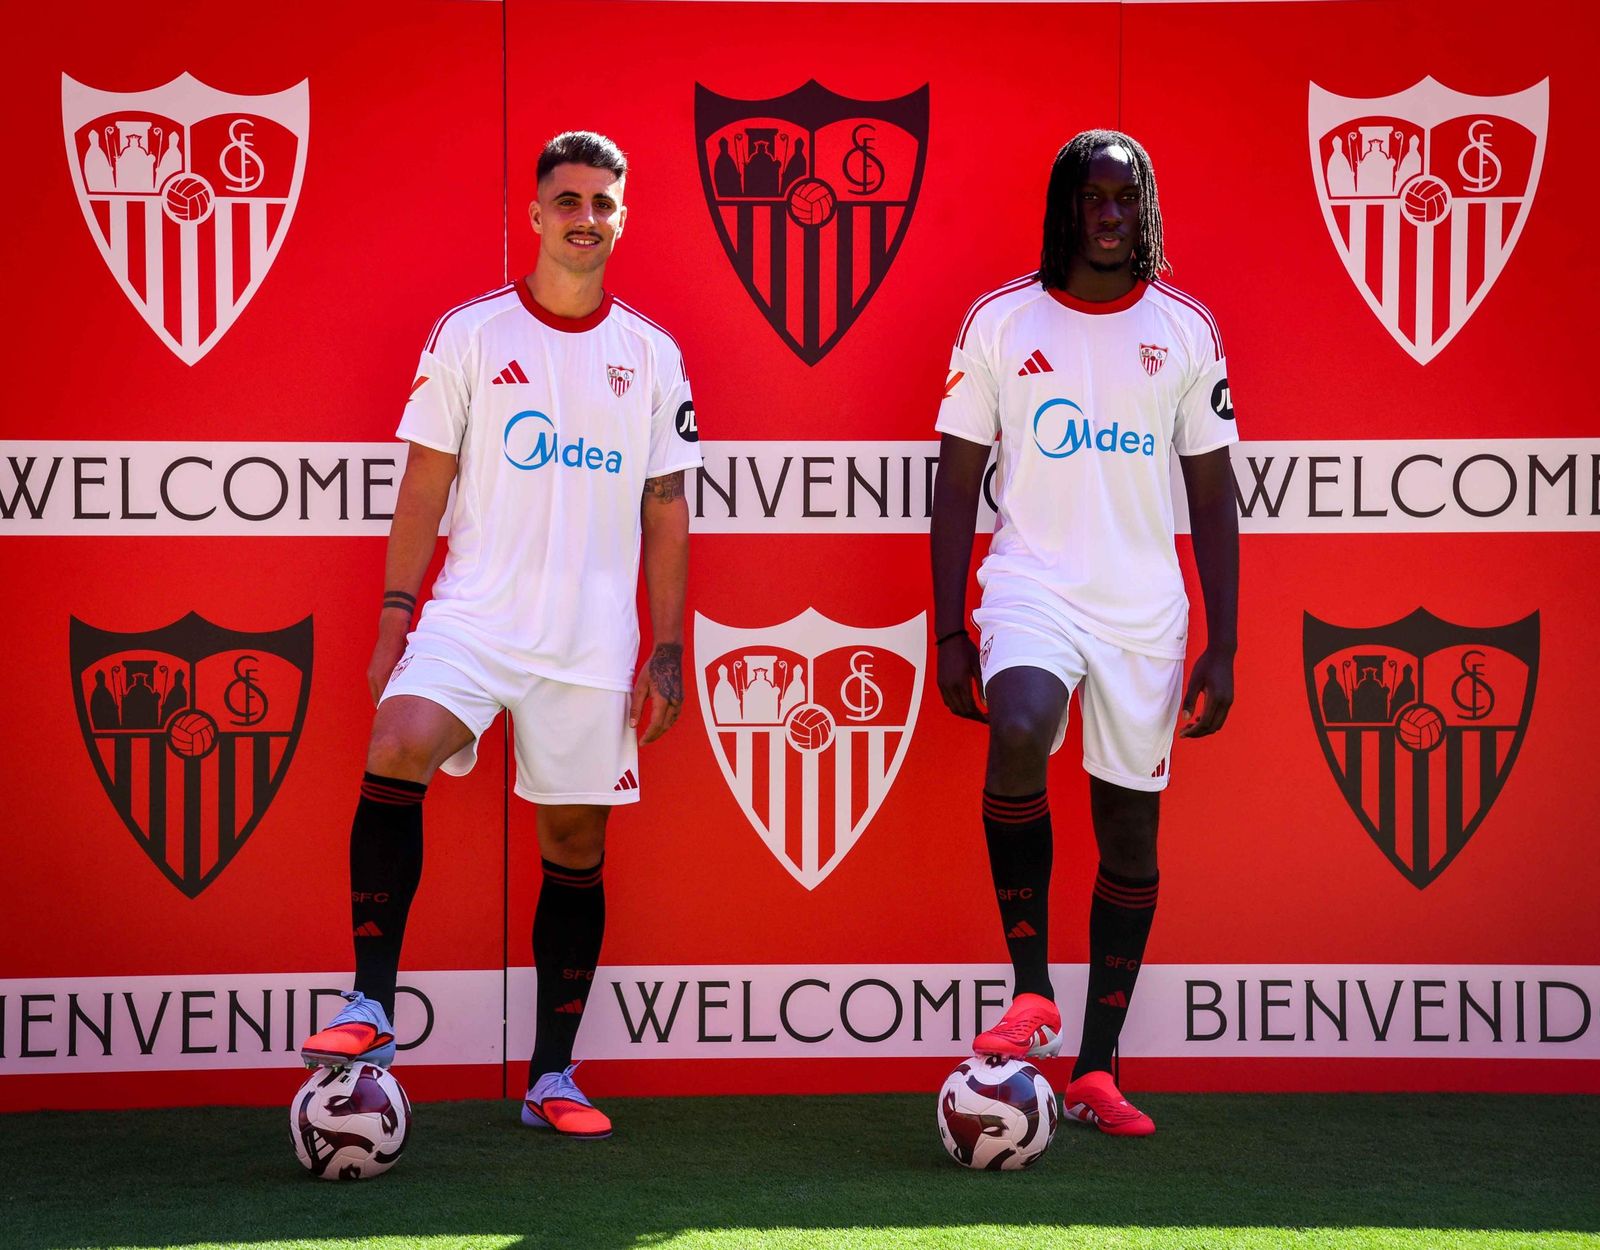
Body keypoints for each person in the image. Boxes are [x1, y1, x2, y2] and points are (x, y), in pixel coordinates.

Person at [299, 131, 701, 1140]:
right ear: (534, 215)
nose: (584, 218)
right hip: (474, 618)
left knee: (574, 844)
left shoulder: (652, 354)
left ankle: (551, 1076)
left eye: (601, 203)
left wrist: (666, 649)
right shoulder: (471, 334)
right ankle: (369, 1002)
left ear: (622, 218)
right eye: (567, 200)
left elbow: (666, 508)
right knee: (396, 742)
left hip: (591, 641)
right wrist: (395, 615)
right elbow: (425, 481)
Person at [931, 129, 1239, 1137]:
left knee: (1130, 833)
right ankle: (1031, 990)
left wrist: (1226, 641)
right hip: (1033, 587)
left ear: (1144, 211)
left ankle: (1097, 1069)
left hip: (1144, 612)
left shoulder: (1184, 330)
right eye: (1091, 198)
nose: (1109, 216)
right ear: (1063, 209)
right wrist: (950, 629)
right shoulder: (1000, 321)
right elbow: (956, 481)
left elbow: (1212, 494)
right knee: (1018, 725)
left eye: (1125, 199)